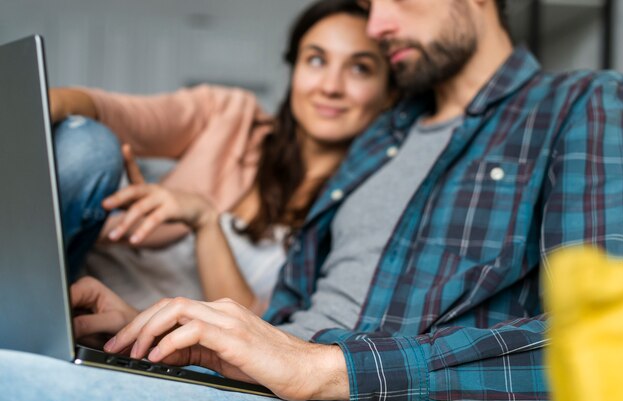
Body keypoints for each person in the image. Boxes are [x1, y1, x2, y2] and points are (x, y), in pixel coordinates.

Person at [1, 0, 623, 401]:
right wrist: (158, 329)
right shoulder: (381, 139)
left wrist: (326, 369)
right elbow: (287, 317)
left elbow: (607, 344)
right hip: (265, 379)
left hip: (335, 399)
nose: (377, 23)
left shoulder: (578, 105)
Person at [49, 0, 395, 312]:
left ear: (390, 93)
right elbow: (114, 112)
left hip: (142, 339)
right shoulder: (232, 116)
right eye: (316, 60)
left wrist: (205, 222)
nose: (330, 86)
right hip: (75, 270)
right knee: (88, 143)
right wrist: (43, 104)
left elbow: (262, 339)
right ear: (294, 70)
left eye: (360, 68)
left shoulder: (363, 210)